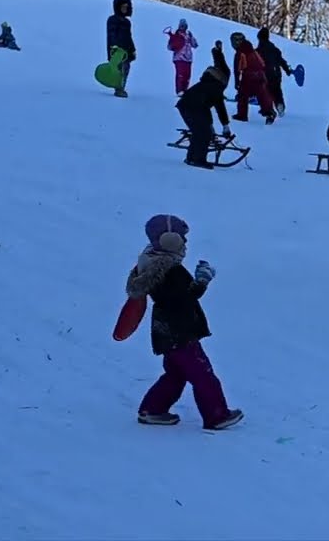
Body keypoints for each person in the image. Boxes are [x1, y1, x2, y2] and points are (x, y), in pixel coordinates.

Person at [126, 214, 244, 432]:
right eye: (182, 237)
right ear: (169, 239)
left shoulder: (151, 262)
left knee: (175, 374)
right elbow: (182, 298)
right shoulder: (167, 268)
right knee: (203, 375)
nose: (185, 242)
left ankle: (152, 409)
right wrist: (202, 281)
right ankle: (216, 415)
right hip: (180, 332)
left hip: (167, 331)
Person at [176, 65, 233, 168]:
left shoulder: (206, 84)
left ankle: (191, 158)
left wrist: (210, 124)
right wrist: (225, 125)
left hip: (186, 106)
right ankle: (198, 159)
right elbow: (220, 107)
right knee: (204, 133)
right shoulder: (215, 87)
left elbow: (205, 107)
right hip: (192, 108)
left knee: (198, 132)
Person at [230, 32, 276, 124]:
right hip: (261, 74)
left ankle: (242, 115)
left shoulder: (240, 53)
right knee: (262, 94)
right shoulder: (252, 50)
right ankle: (269, 112)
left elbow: (237, 69)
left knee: (242, 95)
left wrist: (237, 81)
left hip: (249, 75)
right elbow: (262, 62)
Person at [256, 27, 293, 115]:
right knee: (277, 91)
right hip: (276, 74)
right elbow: (281, 61)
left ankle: (268, 110)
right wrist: (287, 70)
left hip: (265, 74)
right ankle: (280, 105)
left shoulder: (258, 51)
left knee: (265, 92)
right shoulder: (275, 49)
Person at [106, 0, 136, 98]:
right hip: (116, 50)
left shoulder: (127, 22)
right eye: (123, 6)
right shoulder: (112, 20)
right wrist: (114, 47)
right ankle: (118, 89)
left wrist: (132, 50)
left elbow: (129, 36)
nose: (125, 9)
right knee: (118, 69)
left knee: (126, 68)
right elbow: (111, 34)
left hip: (126, 50)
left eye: (126, 7)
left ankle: (122, 87)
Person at [168, 19, 199, 95]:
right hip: (179, 58)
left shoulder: (188, 35)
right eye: (181, 26)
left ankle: (185, 90)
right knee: (180, 75)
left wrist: (192, 38)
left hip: (188, 59)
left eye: (184, 26)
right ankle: (179, 90)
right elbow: (169, 46)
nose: (182, 27)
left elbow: (195, 45)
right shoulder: (176, 35)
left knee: (187, 75)